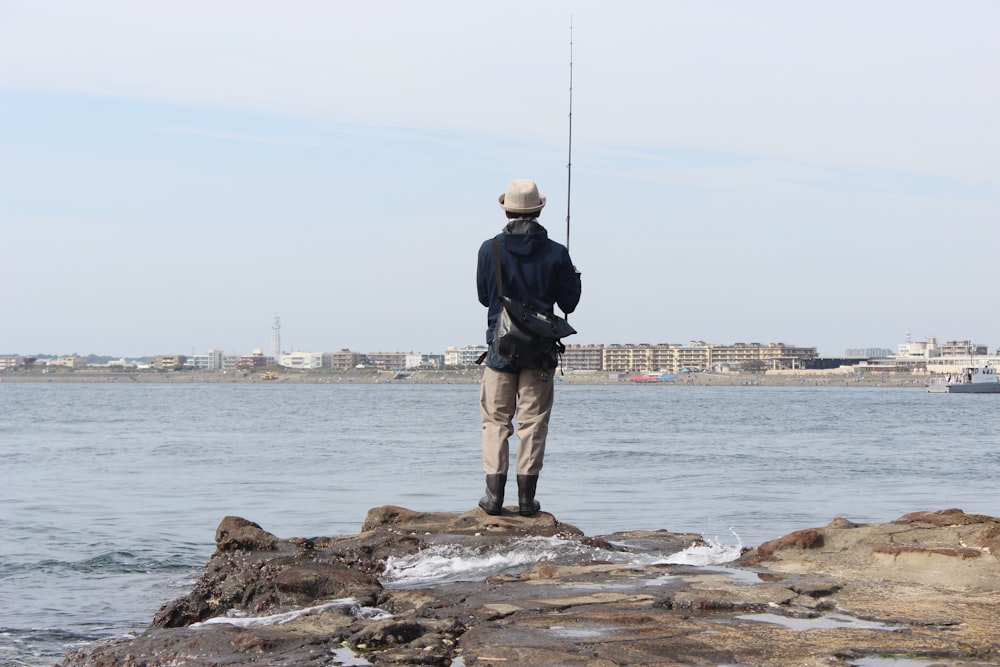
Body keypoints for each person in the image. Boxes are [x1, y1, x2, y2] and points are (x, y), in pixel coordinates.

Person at [476, 178, 582, 516]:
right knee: (532, 423)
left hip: (501, 347)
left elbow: (484, 297)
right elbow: (570, 302)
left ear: (506, 209)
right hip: (539, 352)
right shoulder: (556, 253)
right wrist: (573, 276)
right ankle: (526, 500)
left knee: (496, 421)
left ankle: (493, 499)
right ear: (538, 210)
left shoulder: (489, 249)